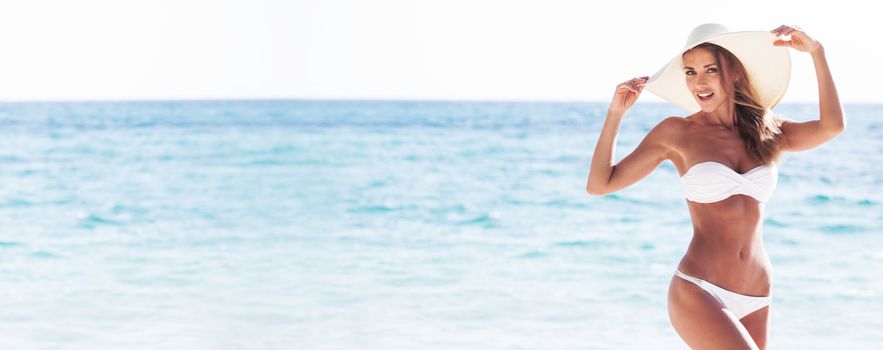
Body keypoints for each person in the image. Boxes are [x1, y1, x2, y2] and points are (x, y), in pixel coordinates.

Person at [586, 23, 844, 349]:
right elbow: (599, 184)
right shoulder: (676, 133)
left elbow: (832, 126)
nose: (700, 82)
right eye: (690, 72)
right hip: (700, 289)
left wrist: (817, 53)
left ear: (734, 71)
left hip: (756, 291)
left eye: (710, 69)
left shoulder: (767, 129)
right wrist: (615, 114)